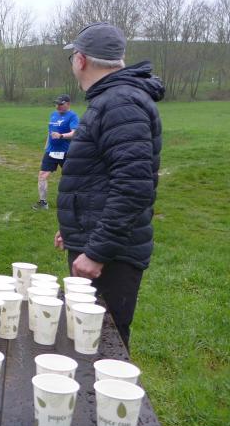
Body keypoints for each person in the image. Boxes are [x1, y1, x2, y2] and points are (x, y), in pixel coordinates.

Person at [56, 22, 164, 350]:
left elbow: (133, 187)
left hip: (112, 256)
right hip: (99, 242)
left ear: (81, 60)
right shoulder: (111, 100)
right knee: (84, 341)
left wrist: (97, 252)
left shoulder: (120, 103)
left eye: (73, 57)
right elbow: (99, 178)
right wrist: (75, 227)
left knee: (104, 346)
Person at [32, 94, 79, 210]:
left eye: (60, 104)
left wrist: (61, 135)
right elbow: (50, 132)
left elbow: (75, 133)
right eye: (56, 104)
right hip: (51, 151)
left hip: (66, 152)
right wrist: (46, 146)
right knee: (42, 175)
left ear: (68, 104)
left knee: (70, 177)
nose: (57, 106)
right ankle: (43, 203)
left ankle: (75, 201)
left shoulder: (73, 116)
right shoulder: (53, 114)